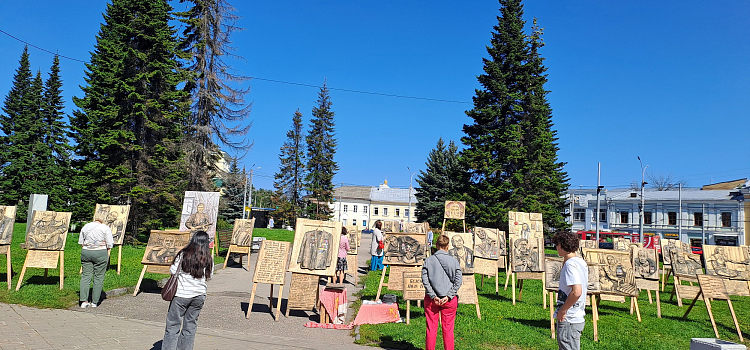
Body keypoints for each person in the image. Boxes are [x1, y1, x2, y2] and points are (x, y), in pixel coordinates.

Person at [163, 231, 214, 350]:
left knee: (173, 325)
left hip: (181, 295)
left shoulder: (184, 254)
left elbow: (173, 270)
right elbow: (209, 277)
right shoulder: (208, 257)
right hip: (199, 296)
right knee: (190, 326)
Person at [421, 235, 462, 350]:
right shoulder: (454, 261)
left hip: (431, 300)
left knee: (431, 329)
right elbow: (458, 281)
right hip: (449, 300)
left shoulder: (428, 261)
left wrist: (433, 295)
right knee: (448, 329)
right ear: (448, 246)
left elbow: (425, 280)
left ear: (436, 245)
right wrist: (449, 296)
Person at [552, 231, 588, 350]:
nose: (556, 248)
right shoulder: (580, 262)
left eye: (557, 245)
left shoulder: (570, 265)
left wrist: (563, 310)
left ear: (561, 245)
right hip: (575, 316)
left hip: (569, 318)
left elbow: (577, 291)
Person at [78, 218, 114, 308]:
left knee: (86, 276)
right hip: (100, 252)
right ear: (101, 222)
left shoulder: (85, 226)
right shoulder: (105, 227)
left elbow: (81, 242)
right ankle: (94, 302)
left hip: (86, 252)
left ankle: (84, 301)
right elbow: (110, 244)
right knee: (98, 277)